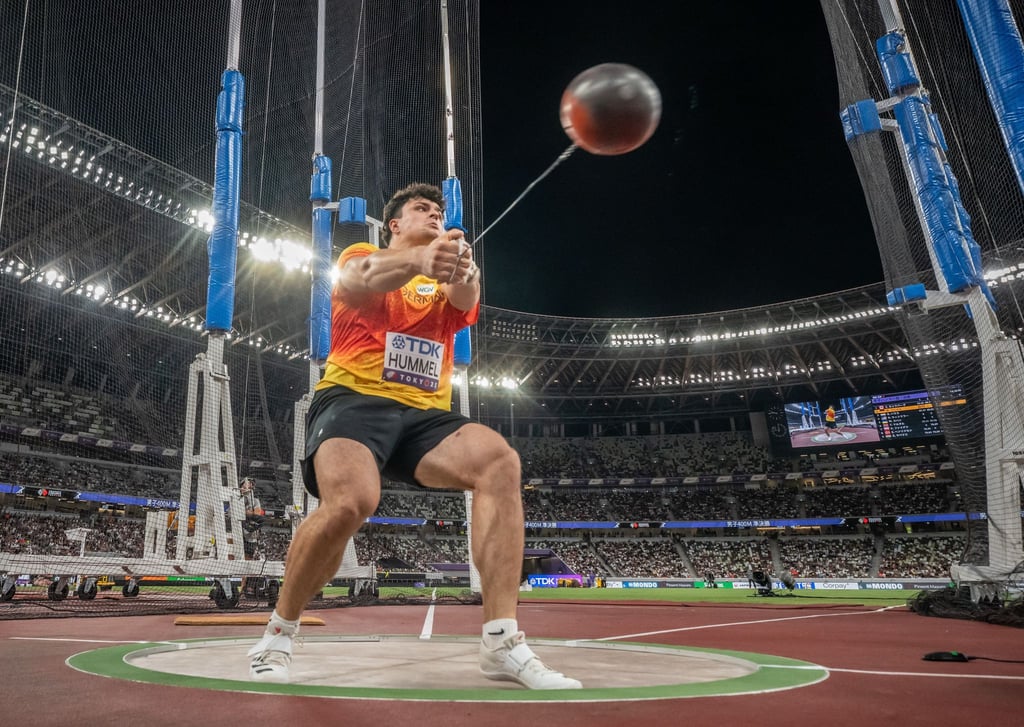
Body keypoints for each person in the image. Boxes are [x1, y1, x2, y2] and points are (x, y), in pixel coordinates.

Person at [247, 183, 580, 690]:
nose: (434, 214)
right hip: (353, 400)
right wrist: (425, 257)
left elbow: (464, 299)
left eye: (439, 211)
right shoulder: (366, 254)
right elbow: (363, 278)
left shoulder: (441, 278)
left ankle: (501, 641)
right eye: (422, 209)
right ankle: (278, 633)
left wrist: (464, 272)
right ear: (395, 225)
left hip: (424, 415)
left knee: (499, 461)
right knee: (351, 501)